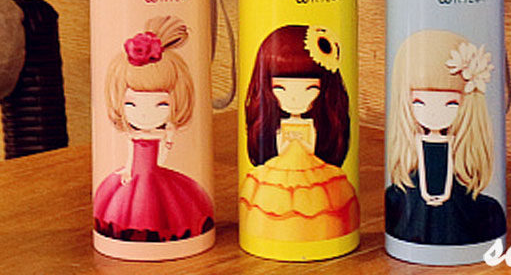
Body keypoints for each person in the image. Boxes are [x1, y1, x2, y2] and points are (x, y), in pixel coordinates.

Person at [94, 15, 214, 242]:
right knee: (129, 209)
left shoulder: (163, 132)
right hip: (136, 174)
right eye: (131, 104)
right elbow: (131, 155)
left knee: (164, 209)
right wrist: (127, 171)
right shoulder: (134, 134)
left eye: (161, 105)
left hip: (155, 174)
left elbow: (164, 151)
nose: (144, 114)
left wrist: (163, 151)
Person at [386, 29, 506, 245]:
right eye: (419, 102)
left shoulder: (486, 210)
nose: (433, 113)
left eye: (450, 104)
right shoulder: (397, 198)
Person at [240, 25, 359, 241]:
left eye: (310, 89)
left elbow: (312, 148)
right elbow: (279, 149)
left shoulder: (315, 127)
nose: (295, 98)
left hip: (312, 170)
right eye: (281, 89)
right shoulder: (275, 127)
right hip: (280, 172)